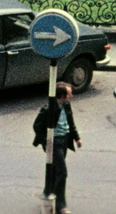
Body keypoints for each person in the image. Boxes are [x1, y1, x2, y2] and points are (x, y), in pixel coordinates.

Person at [33, 82, 81, 214]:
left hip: (64, 141)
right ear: (62, 95)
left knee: (55, 171)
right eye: (69, 93)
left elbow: (71, 122)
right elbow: (37, 126)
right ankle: (60, 205)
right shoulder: (49, 108)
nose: (71, 95)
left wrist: (77, 138)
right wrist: (45, 141)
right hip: (54, 143)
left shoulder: (66, 105)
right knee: (62, 172)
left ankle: (47, 192)